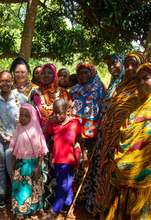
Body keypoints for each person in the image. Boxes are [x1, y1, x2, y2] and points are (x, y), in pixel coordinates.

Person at [93, 52, 146, 216]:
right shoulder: (121, 86)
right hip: (109, 138)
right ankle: (102, 208)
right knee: (106, 174)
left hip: (129, 144)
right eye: (127, 64)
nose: (130, 68)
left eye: (134, 65)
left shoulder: (141, 90)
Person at [28, 63, 71, 212]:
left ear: (55, 76)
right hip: (41, 137)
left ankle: (61, 204)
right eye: (43, 73)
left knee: (58, 171)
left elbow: (69, 114)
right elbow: (31, 116)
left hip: (60, 139)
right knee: (44, 170)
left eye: (49, 73)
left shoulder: (63, 93)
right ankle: (45, 203)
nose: (45, 75)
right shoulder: (35, 93)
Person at [86, 53, 125, 213]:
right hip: (104, 134)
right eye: (109, 64)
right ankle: (97, 205)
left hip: (116, 135)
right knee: (100, 168)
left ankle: (108, 208)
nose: (111, 67)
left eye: (114, 63)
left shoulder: (126, 85)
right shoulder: (112, 84)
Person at [42, 99, 88, 219]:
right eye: (55, 113)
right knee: (64, 185)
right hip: (56, 160)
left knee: (63, 185)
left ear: (67, 111)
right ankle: (69, 205)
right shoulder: (54, 125)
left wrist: (85, 155)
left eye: (60, 113)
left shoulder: (75, 123)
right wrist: (49, 122)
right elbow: (43, 130)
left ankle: (55, 210)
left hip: (68, 161)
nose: (57, 116)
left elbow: (80, 139)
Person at [69, 61, 106, 207]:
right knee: (74, 166)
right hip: (73, 135)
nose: (83, 76)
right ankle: (70, 197)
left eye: (86, 72)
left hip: (92, 137)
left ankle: (81, 199)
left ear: (92, 72)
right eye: (80, 73)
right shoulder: (74, 89)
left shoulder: (99, 88)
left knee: (86, 168)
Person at [0, 70, 28, 208]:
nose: (4, 83)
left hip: (14, 138)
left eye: (7, 81)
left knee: (12, 167)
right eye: (1, 81)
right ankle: (3, 195)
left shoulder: (20, 98)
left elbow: (26, 118)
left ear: (12, 82)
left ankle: (16, 196)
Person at [10, 103, 48, 219]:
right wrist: (12, 170)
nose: (23, 118)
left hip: (34, 166)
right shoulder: (18, 130)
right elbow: (14, 153)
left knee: (35, 188)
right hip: (21, 167)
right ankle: (20, 211)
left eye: (26, 116)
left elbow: (41, 150)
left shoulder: (36, 131)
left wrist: (38, 166)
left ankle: (33, 210)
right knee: (22, 190)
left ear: (32, 117)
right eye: (21, 115)